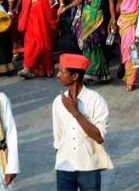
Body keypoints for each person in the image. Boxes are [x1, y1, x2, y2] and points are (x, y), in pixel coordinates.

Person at [52, 53, 112, 191]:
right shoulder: (57, 102)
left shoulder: (96, 101)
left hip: (89, 167)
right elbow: (58, 137)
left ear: (75, 76)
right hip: (64, 167)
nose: (58, 75)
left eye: (62, 71)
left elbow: (99, 137)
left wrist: (76, 113)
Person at [62, 0, 116, 84]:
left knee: (95, 45)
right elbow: (80, 0)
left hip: (99, 20)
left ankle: (91, 72)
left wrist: (113, 21)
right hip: (86, 19)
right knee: (86, 45)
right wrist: (66, 7)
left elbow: (112, 7)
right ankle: (103, 74)